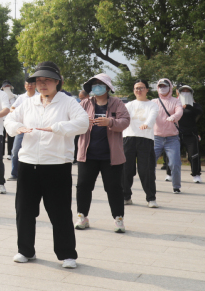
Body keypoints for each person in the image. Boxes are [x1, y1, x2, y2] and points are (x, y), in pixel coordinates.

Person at [4, 61, 89, 269]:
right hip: (28, 163)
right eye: (39, 80)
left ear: (57, 82)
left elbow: (83, 123)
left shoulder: (68, 102)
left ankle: (67, 254)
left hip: (56, 165)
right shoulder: (28, 103)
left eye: (47, 80)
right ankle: (26, 250)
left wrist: (58, 127)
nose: (42, 84)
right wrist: (18, 127)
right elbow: (9, 120)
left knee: (60, 212)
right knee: (24, 210)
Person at [74, 74, 130, 233]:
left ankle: (118, 218)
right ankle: (82, 217)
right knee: (83, 186)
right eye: (94, 84)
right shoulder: (84, 103)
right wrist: (84, 122)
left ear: (108, 87)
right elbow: (73, 121)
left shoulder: (117, 103)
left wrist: (110, 122)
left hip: (111, 157)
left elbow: (125, 121)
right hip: (87, 155)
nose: (97, 87)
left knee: (114, 187)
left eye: (100, 84)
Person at [122, 79, 159, 207]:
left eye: (141, 87)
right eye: (136, 88)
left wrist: (146, 124)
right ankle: (126, 196)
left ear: (147, 89)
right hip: (128, 138)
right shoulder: (128, 105)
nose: (139, 90)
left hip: (145, 139)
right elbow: (122, 118)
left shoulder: (152, 105)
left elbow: (152, 117)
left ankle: (151, 198)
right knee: (126, 169)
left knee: (146, 170)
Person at [153, 79, 184, 193]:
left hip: (172, 138)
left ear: (170, 87)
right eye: (160, 86)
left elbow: (179, 111)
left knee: (175, 163)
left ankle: (176, 186)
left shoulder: (176, 101)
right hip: (156, 137)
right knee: (150, 162)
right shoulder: (154, 102)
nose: (162, 88)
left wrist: (174, 117)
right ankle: (151, 186)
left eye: (165, 86)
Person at [8, 80, 38, 181]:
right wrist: (19, 112)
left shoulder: (39, 96)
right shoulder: (21, 97)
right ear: (25, 86)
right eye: (27, 84)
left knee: (35, 151)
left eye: (32, 84)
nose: (30, 86)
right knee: (15, 151)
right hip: (22, 128)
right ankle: (14, 174)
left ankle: (33, 174)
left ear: (35, 85)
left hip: (35, 129)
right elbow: (12, 108)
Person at [177, 85, 203, 183]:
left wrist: (189, 107)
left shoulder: (195, 105)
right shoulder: (176, 104)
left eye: (187, 91)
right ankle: (170, 173)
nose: (185, 93)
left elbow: (200, 112)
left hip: (191, 134)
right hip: (177, 134)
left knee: (194, 155)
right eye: (183, 91)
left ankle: (196, 174)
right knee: (173, 155)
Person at [0, 81, 16, 159]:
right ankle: (1, 153)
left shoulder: (15, 97)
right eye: (5, 87)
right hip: (2, 119)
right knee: (1, 137)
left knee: (11, 136)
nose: (6, 88)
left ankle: (10, 153)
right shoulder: (0, 97)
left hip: (11, 120)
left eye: (8, 87)